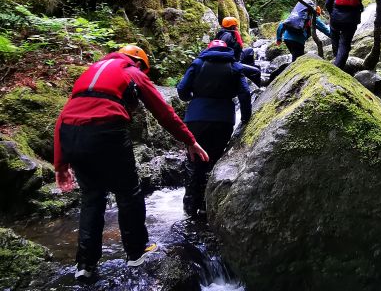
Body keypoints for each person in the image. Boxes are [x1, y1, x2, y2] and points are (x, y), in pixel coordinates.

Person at [53, 45, 209, 281]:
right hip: (107, 130)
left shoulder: (90, 72)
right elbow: (164, 112)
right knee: (128, 192)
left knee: (92, 197)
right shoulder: (132, 72)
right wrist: (190, 141)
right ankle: (137, 252)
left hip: (71, 135)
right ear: (139, 63)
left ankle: (85, 264)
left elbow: (64, 116)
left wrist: (60, 163)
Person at [176, 40, 259, 218]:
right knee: (214, 159)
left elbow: (182, 89)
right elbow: (244, 94)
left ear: (209, 50)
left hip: (196, 118)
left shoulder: (198, 63)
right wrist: (245, 118)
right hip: (223, 119)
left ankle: (190, 207)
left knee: (194, 161)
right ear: (226, 50)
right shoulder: (234, 66)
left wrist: (194, 97)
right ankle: (208, 204)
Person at [325, 0, 381, 70]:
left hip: (335, 19)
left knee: (335, 39)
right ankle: (338, 67)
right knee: (345, 44)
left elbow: (328, 3)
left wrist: (331, 15)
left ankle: (336, 60)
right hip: (351, 20)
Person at [215, 16, 260, 85]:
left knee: (250, 50)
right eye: (235, 26)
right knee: (256, 71)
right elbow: (222, 51)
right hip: (231, 61)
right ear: (231, 26)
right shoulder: (227, 36)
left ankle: (246, 72)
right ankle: (254, 87)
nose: (236, 27)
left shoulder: (225, 33)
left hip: (236, 56)